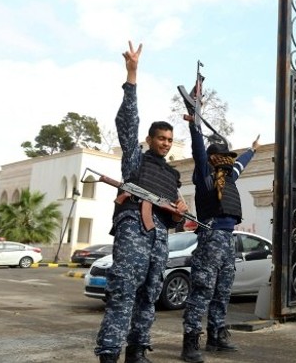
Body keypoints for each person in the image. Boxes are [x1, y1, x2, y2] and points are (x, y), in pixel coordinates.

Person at [94, 41, 188, 363]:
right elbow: (127, 123)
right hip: (134, 225)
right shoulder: (135, 160)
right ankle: (109, 353)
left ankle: (138, 351)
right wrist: (132, 75)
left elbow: (176, 220)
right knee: (123, 291)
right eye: (160, 138)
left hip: (160, 235)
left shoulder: (173, 176)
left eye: (169, 140)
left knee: (149, 294)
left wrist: (179, 213)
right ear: (150, 140)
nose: (165, 143)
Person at [179, 110, 260, 363]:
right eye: (222, 156)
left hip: (227, 240)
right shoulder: (204, 177)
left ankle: (216, 335)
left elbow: (240, 165)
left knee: (223, 290)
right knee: (202, 290)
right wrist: (194, 127)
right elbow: (198, 152)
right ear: (214, 158)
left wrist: (253, 150)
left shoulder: (229, 177)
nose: (226, 160)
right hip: (211, 237)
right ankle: (190, 342)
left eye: (228, 156)